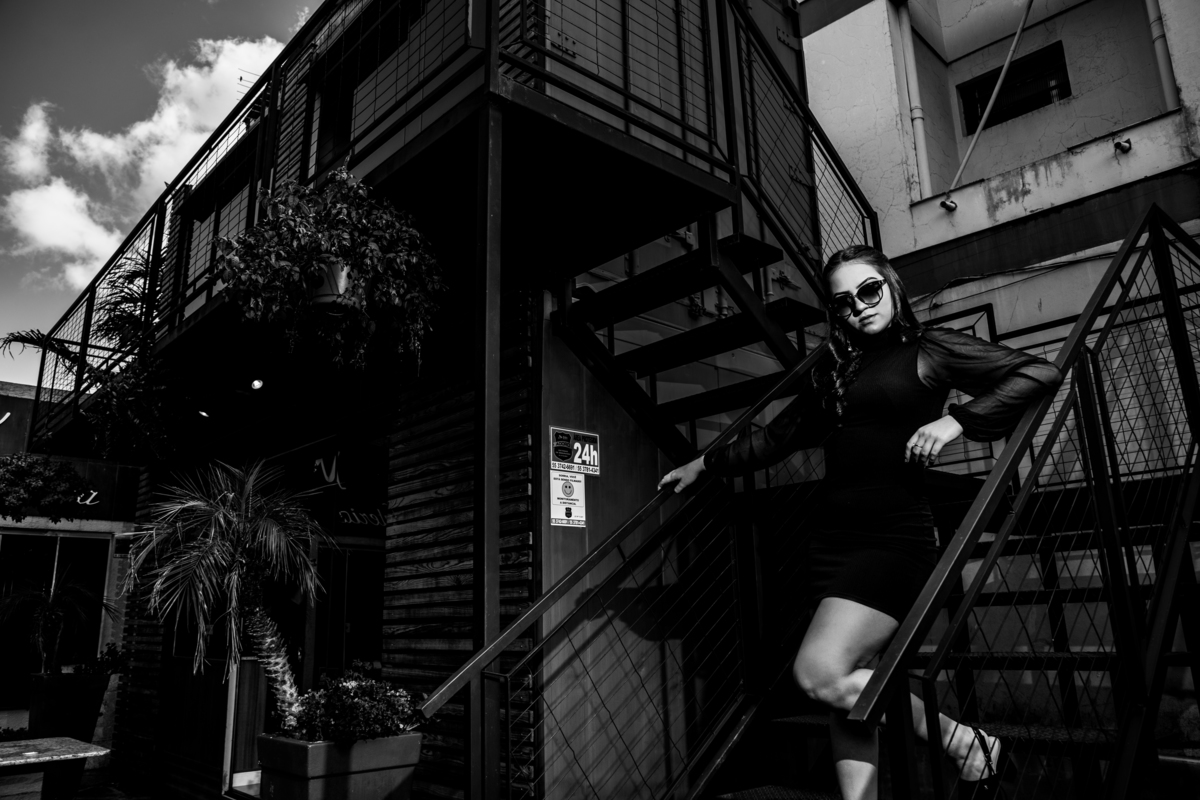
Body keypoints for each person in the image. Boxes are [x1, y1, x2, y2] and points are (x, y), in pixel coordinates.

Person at [658, 245, 1063, 800]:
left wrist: (956, 422)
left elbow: (1039, 372)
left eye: (869, 291)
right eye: (843, 302)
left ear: (891, 286)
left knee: (819, 674)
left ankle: (966, 743)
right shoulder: (834, 371)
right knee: (847, 686)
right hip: (831, 541)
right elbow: (775, 438)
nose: (860, 307)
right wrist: (704, 463)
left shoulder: (930, 349)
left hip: (893, 538)